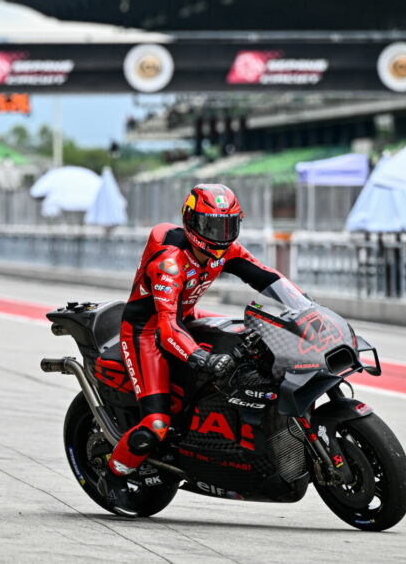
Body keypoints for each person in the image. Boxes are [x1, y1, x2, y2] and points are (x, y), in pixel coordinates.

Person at [99, 183, 312, 516]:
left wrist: (307, 307)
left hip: (185, 318)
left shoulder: (225, 250)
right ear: (191, 223)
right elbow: (167, 329)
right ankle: (113, 475)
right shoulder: (169, 263)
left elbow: (264, 276)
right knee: (156, 423)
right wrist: (203, 358)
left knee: (248, 342)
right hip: (147, 332)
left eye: (228, 226)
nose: (221, 235)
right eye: (212, 226)